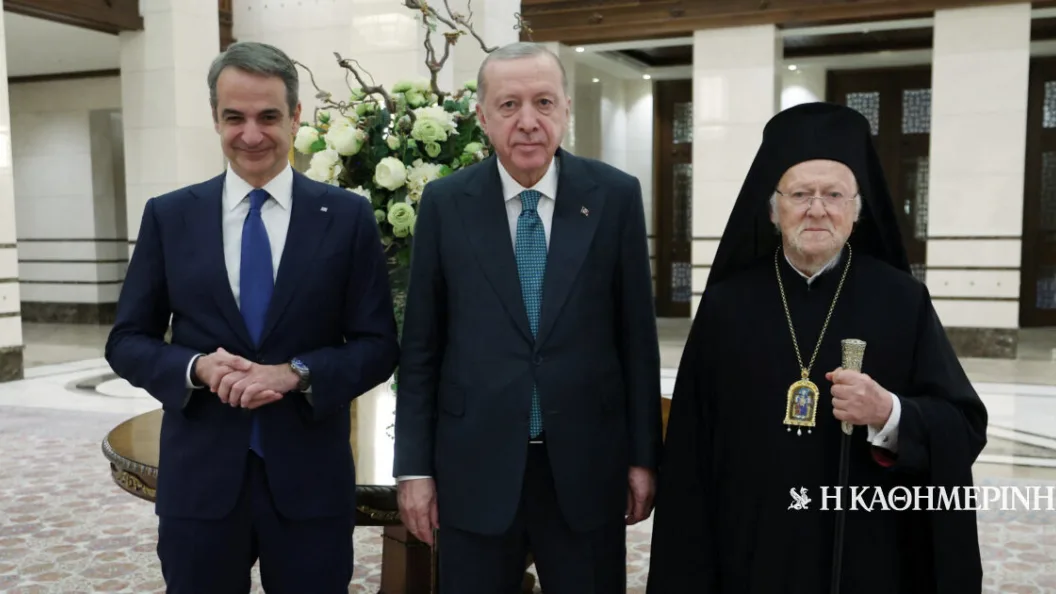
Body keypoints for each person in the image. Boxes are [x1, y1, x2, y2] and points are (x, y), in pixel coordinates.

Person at [646, 102, 988, 594]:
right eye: (800, 194)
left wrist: (888, 413)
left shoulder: (901, 299)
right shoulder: (726, 305)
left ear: (857, 210)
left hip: (864, 550)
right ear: (773, 209)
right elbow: (689, 449)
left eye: (834, 194)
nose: (817, 209)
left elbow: (963, 424)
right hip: (749, 547)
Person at [105, 41, 399, 593]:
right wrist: (196, 368)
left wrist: (296, 373)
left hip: (311, 481)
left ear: (295, 116)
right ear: (215, 118)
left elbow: (378, 345)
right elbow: (126, 340)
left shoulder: (347, 216)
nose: (251, 134)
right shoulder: (170, 216)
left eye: (268, 116)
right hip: (200, 482)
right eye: (234, 117)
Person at [393, 42, 663, 593]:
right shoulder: (446, 203)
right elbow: (422, 346)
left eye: (543, 102)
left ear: (566, 108)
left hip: (587, 465)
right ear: (482, 116)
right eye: (509, 105)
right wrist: (414, 469)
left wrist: (643, 458)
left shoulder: (614, 196)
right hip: (474, 466)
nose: (528, 121)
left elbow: (637, 340)